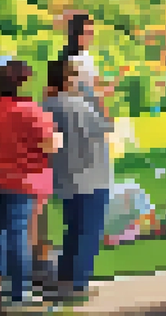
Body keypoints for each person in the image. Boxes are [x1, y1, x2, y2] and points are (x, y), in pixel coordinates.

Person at [0, 60, 59, 308]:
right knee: (19, 236)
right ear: (23, 81)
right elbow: (52, 145)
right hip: (23, 180)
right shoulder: (31, 110)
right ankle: (18, 293)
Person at [41, 55, 115, 303]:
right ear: (68, 79)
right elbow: (106, 126)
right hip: (91, 177)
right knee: (87, 233)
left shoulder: (47, 106)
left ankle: (64, 281)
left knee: (73, 231)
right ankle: (78, 286)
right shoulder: (80, 106)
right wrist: (101, 99)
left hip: (64, 178)